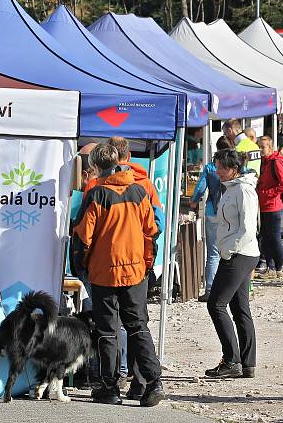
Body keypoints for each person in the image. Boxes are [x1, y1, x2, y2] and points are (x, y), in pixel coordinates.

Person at [72, 144, 165, 407]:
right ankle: (153, 382)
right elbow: (152, 232)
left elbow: (83, 237)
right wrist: (146, 264)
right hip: (134, 269)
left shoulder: (97, 194)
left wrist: (83, 265)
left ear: (96, 167)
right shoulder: (139, 190)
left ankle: (110, 387)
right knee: (137, 326)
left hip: (104, 271)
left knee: (107, 330)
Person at [205, 149, 260, 379]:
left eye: (221, 167)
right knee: (239, 308)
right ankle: (247, 363)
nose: (217, 171)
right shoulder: (230, 188)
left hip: (240, 253)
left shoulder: (244, 190)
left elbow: (248, 226)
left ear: (234, 168)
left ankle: (231, 359)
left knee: (216, 304)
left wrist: (230, 251)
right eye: (217, 166)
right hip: (237, 252)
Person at [190, 136, 235, 302]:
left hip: (212, 212)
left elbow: (201, 188)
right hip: (230, 212)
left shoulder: (210, 167)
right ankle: (229, 289)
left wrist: (194, 201)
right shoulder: (234, 167)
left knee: (213, 254)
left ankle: (210, 289)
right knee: (230, 252)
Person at [255, 136, 283, 277]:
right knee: (265, 237)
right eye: (259, 147)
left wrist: (268, 193)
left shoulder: (275, 162)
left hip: (273, 206)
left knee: (274, 237)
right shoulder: (264, 162)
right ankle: (270, 267)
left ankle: (279, 268)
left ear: (270, 147)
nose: (261, 150)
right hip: (263, 205)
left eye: (263, 147)